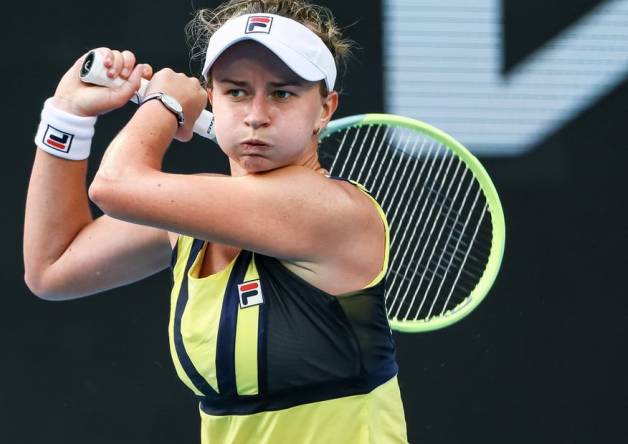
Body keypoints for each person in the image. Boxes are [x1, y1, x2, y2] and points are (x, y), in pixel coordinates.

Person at [24, 0, 409, 442]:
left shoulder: (326, 210)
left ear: (325, 108)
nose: (256, 115)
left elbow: (113, 186)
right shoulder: (193, 219)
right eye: (236, 91)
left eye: (282, 93)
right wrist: (67, 115)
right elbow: (52, 267)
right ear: (211, 97)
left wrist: (164, 104)